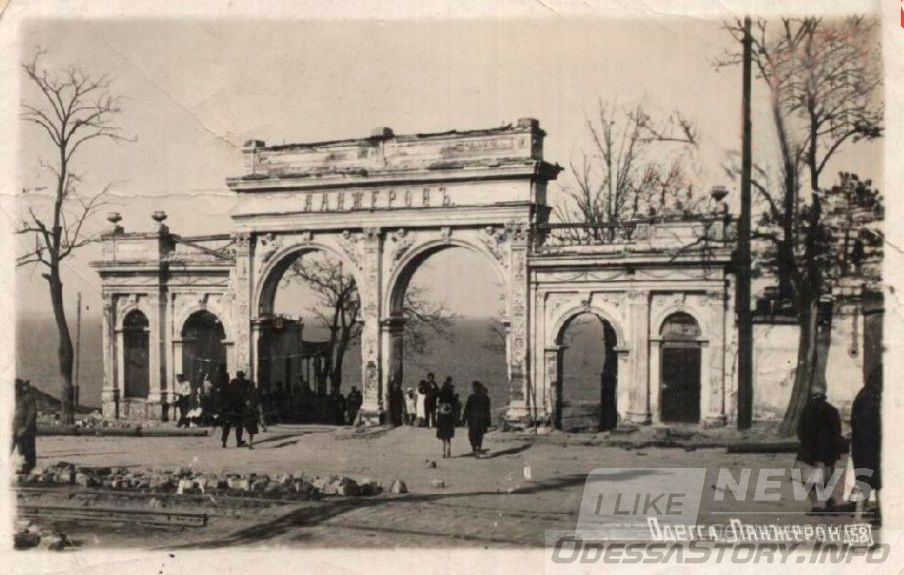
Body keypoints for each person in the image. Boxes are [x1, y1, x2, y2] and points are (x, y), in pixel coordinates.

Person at [795, 382, 843, 511]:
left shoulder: (806, 410)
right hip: (826, 452)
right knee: (826, 478)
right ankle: (826, 499)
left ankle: (816, 504)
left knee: (807, 479)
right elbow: (836, 433)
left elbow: (800, 431)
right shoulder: (832, 411)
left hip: (809, 450)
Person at [851, 367, 882, 519]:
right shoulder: (877, 398)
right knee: (880, 482)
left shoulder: (861, 395)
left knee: (863, 480)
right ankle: (882, 514)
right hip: (875, 446)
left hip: (860, 445)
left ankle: (858, 515)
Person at [12, 378, 38, 472]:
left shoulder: (28, 398)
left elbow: (32, 413)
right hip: (14, 428)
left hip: (26, 429)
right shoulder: (12, 398)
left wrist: (26, 428)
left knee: (27, 450)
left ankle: (27, 467)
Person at [221, 370, 250, 448]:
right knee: (239, 425)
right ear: (241, 377)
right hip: (237, 408)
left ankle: (224, 441)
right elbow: (241, 396)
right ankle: (239, 441)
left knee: (227, 425)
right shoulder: (240, 385)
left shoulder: (230, 384)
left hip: (228, 408)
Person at [463, 381, 492, 458]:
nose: (472, 389)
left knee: (472, 435)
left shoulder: (471, 397)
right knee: (479, 435)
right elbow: (487, 411)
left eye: (473, 387)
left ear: (475, 388)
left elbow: (467, 409)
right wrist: (488, 422)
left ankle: (475, 448)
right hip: (482, 419)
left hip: (473, 419)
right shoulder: (486, 398)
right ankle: (478, 447)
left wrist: (463, 419)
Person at [435, 378, 456, 458]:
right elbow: (454, 405)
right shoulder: (451, 394)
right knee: (448, 436)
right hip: (449, 414)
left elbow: (438, 404)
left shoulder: (441, 394)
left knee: (443, 436)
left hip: (442, 414)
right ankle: (448, 449)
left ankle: (443, 452)